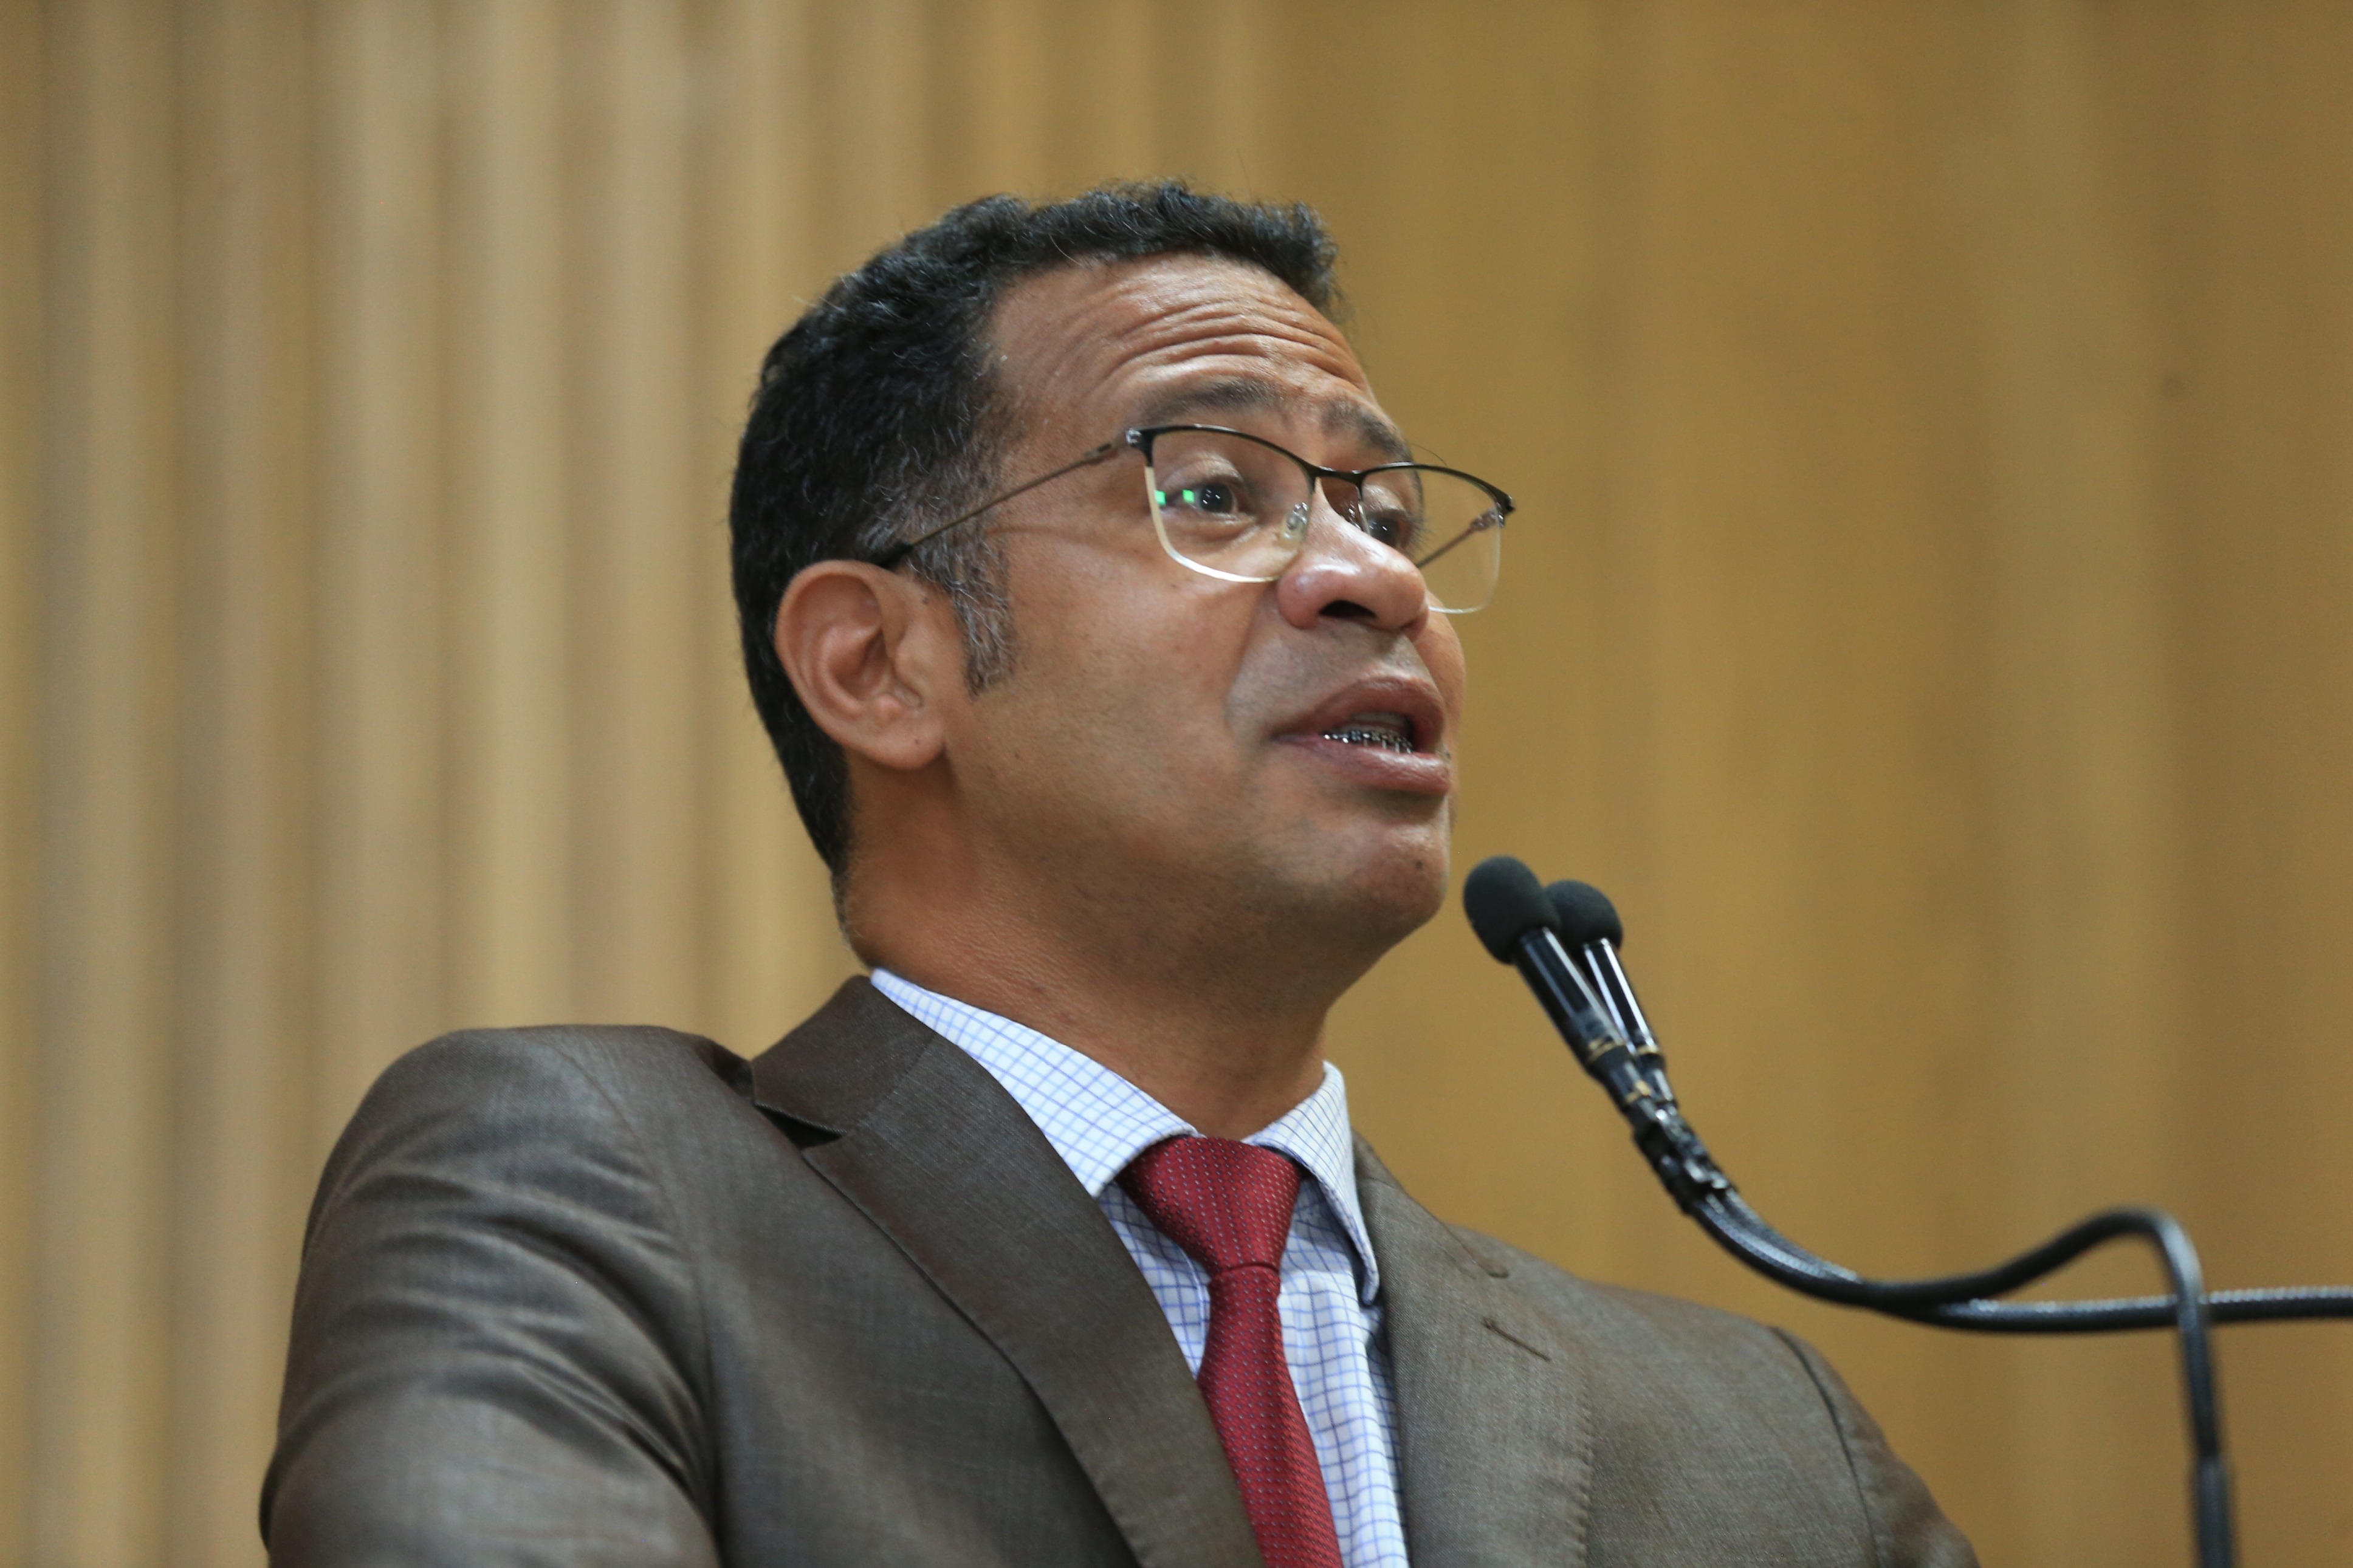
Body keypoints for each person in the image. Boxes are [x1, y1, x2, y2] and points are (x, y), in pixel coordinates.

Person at [264, 184, 1976, 1567]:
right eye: (1215, 491)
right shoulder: (598, 1194)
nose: (1377, 579)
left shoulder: (1768, 1442)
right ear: (878, 666)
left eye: (1386, 514)